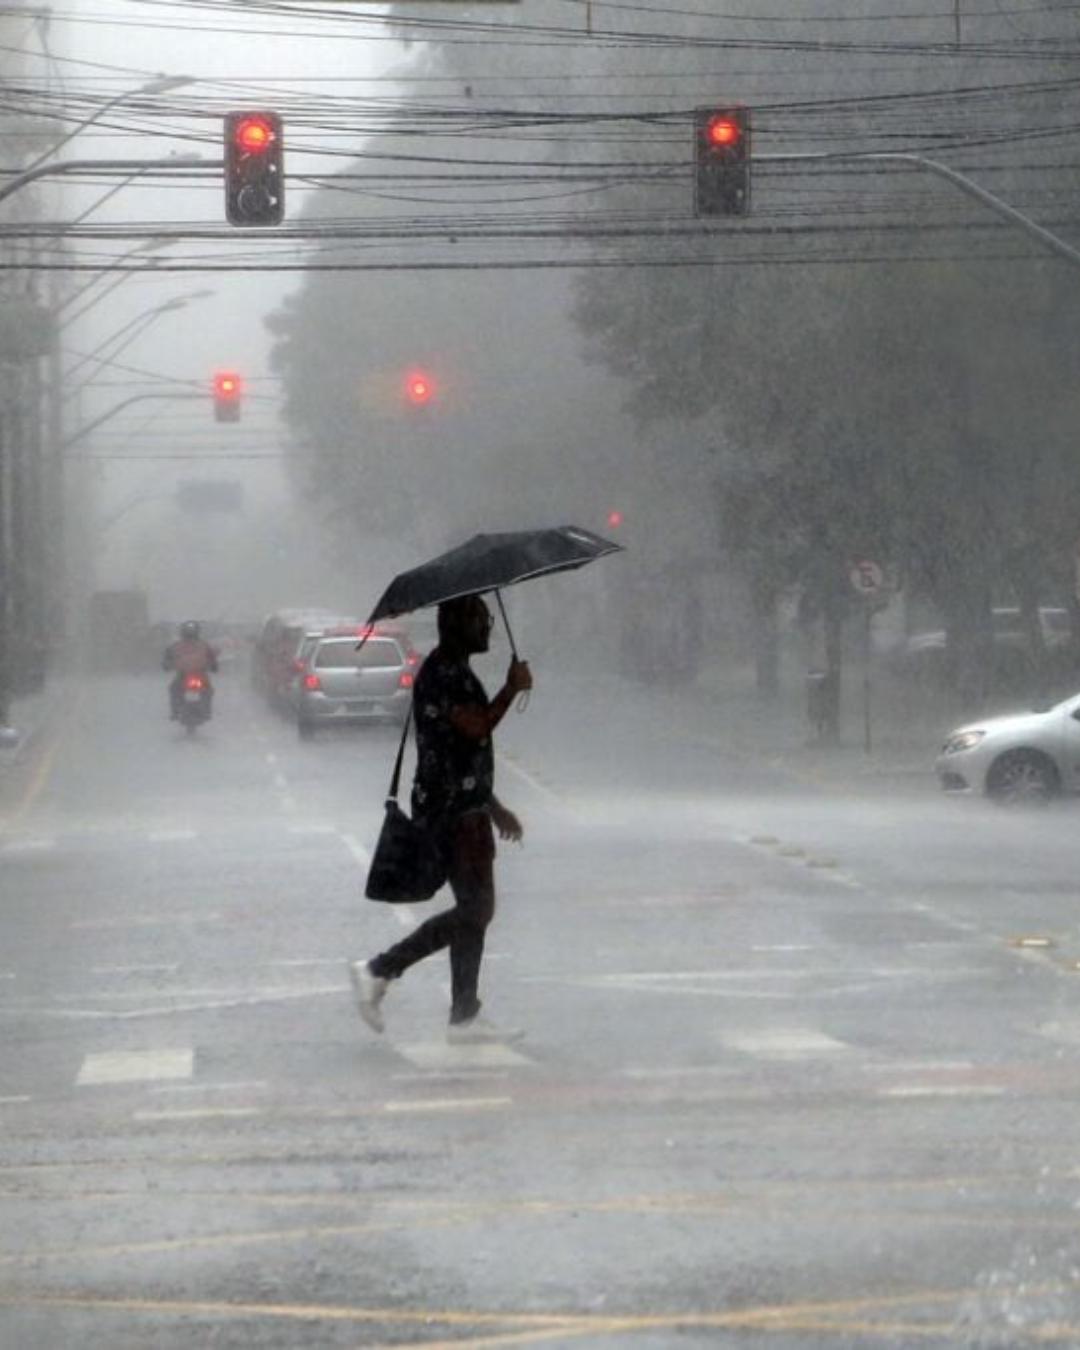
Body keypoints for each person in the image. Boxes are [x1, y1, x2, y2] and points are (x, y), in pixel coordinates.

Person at [350, 594, 533, 1045]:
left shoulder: (455, 669)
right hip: (450, 814)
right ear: (455, 624)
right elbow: (475, 727)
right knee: (477, 909)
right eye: (479, 619)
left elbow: (462, 752)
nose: (487, 627)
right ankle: (380, 970)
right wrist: (511, 688)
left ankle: (464, 1015)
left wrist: (493, 806)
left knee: (476, 911)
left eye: (488, 619)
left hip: (465, 807)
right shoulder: (442, 674)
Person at [162, 620, 219, 720]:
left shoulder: (202, 645)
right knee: (176, 690)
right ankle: (178, 711)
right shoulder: (178, 646)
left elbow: (211, 657)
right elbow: (168, 657)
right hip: (191, 674)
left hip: (194, 674)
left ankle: (176, 711)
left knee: (175, 690)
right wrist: (214, 666)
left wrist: (213, 665)